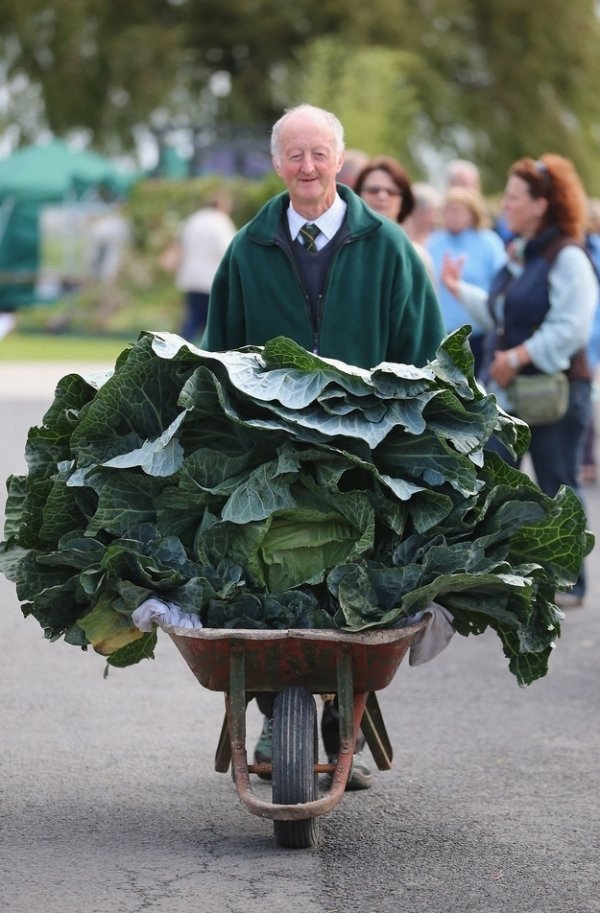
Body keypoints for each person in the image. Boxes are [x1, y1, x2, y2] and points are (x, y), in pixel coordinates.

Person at [204, 103, 445, 788]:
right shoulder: (247, 251)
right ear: (278, 164)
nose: (307, 168)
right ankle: (272, 713)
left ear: (340, 161)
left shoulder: (390, 249)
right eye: (294, 155)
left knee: (359, 588)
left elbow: (424, 357)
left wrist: (408, 442)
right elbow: (219, 359)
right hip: (270, 459)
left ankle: (342, 717)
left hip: (369, 458)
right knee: (264, 583)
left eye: (319, 154)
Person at [441, 154, 598, 607]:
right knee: (499, 482)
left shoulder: (568, 255)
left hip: (560, 393)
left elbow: (572, 326)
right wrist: (460, 291)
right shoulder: (521, 255)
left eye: (513, 197)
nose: (504, 205)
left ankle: (568, 583)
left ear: (541, 204)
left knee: (556, 486)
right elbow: (502, 314)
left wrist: (520, 355)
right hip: (514, 393)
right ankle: (502, 579)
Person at [426, 186, 507, 377]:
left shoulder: (489, 243)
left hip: (477, 335)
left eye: (457, 210)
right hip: (442, 334)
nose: (451, 215)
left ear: (472, 214)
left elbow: (502, 283)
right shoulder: (434, 242)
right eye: (448, 210)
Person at [354, 155, 436, 281]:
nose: (382, 196)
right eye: (373, 190)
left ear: (403, 201)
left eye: (391, 192)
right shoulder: (344, 249)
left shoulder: (416, 256)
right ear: (358, 194)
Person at [170, 188, 236, 342]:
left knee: (194, 316)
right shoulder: (220, 222)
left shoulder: (193, 220)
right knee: (210, 320)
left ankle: (183, 348)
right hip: (211, 278)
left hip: (190, 277)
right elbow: (228, 251)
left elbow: (180, 246)